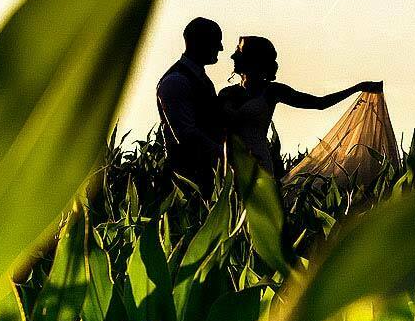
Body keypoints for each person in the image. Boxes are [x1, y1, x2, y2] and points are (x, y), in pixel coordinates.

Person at [218, 36, 381, 178]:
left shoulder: (272, 92)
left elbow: (319, 103)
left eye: (239, 52)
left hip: (259, 161)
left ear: (253, 59)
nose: (233, 56)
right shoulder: (226, 93)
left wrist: (356, 88)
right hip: (230, 163)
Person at [156, 17, 226, 195]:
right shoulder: (175, 81)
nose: (221, 48)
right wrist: (223, 153)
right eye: (216, 41)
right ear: (198, 43)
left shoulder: (199, 78)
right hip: (188, 180)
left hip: (206, 176)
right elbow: (185, 134)